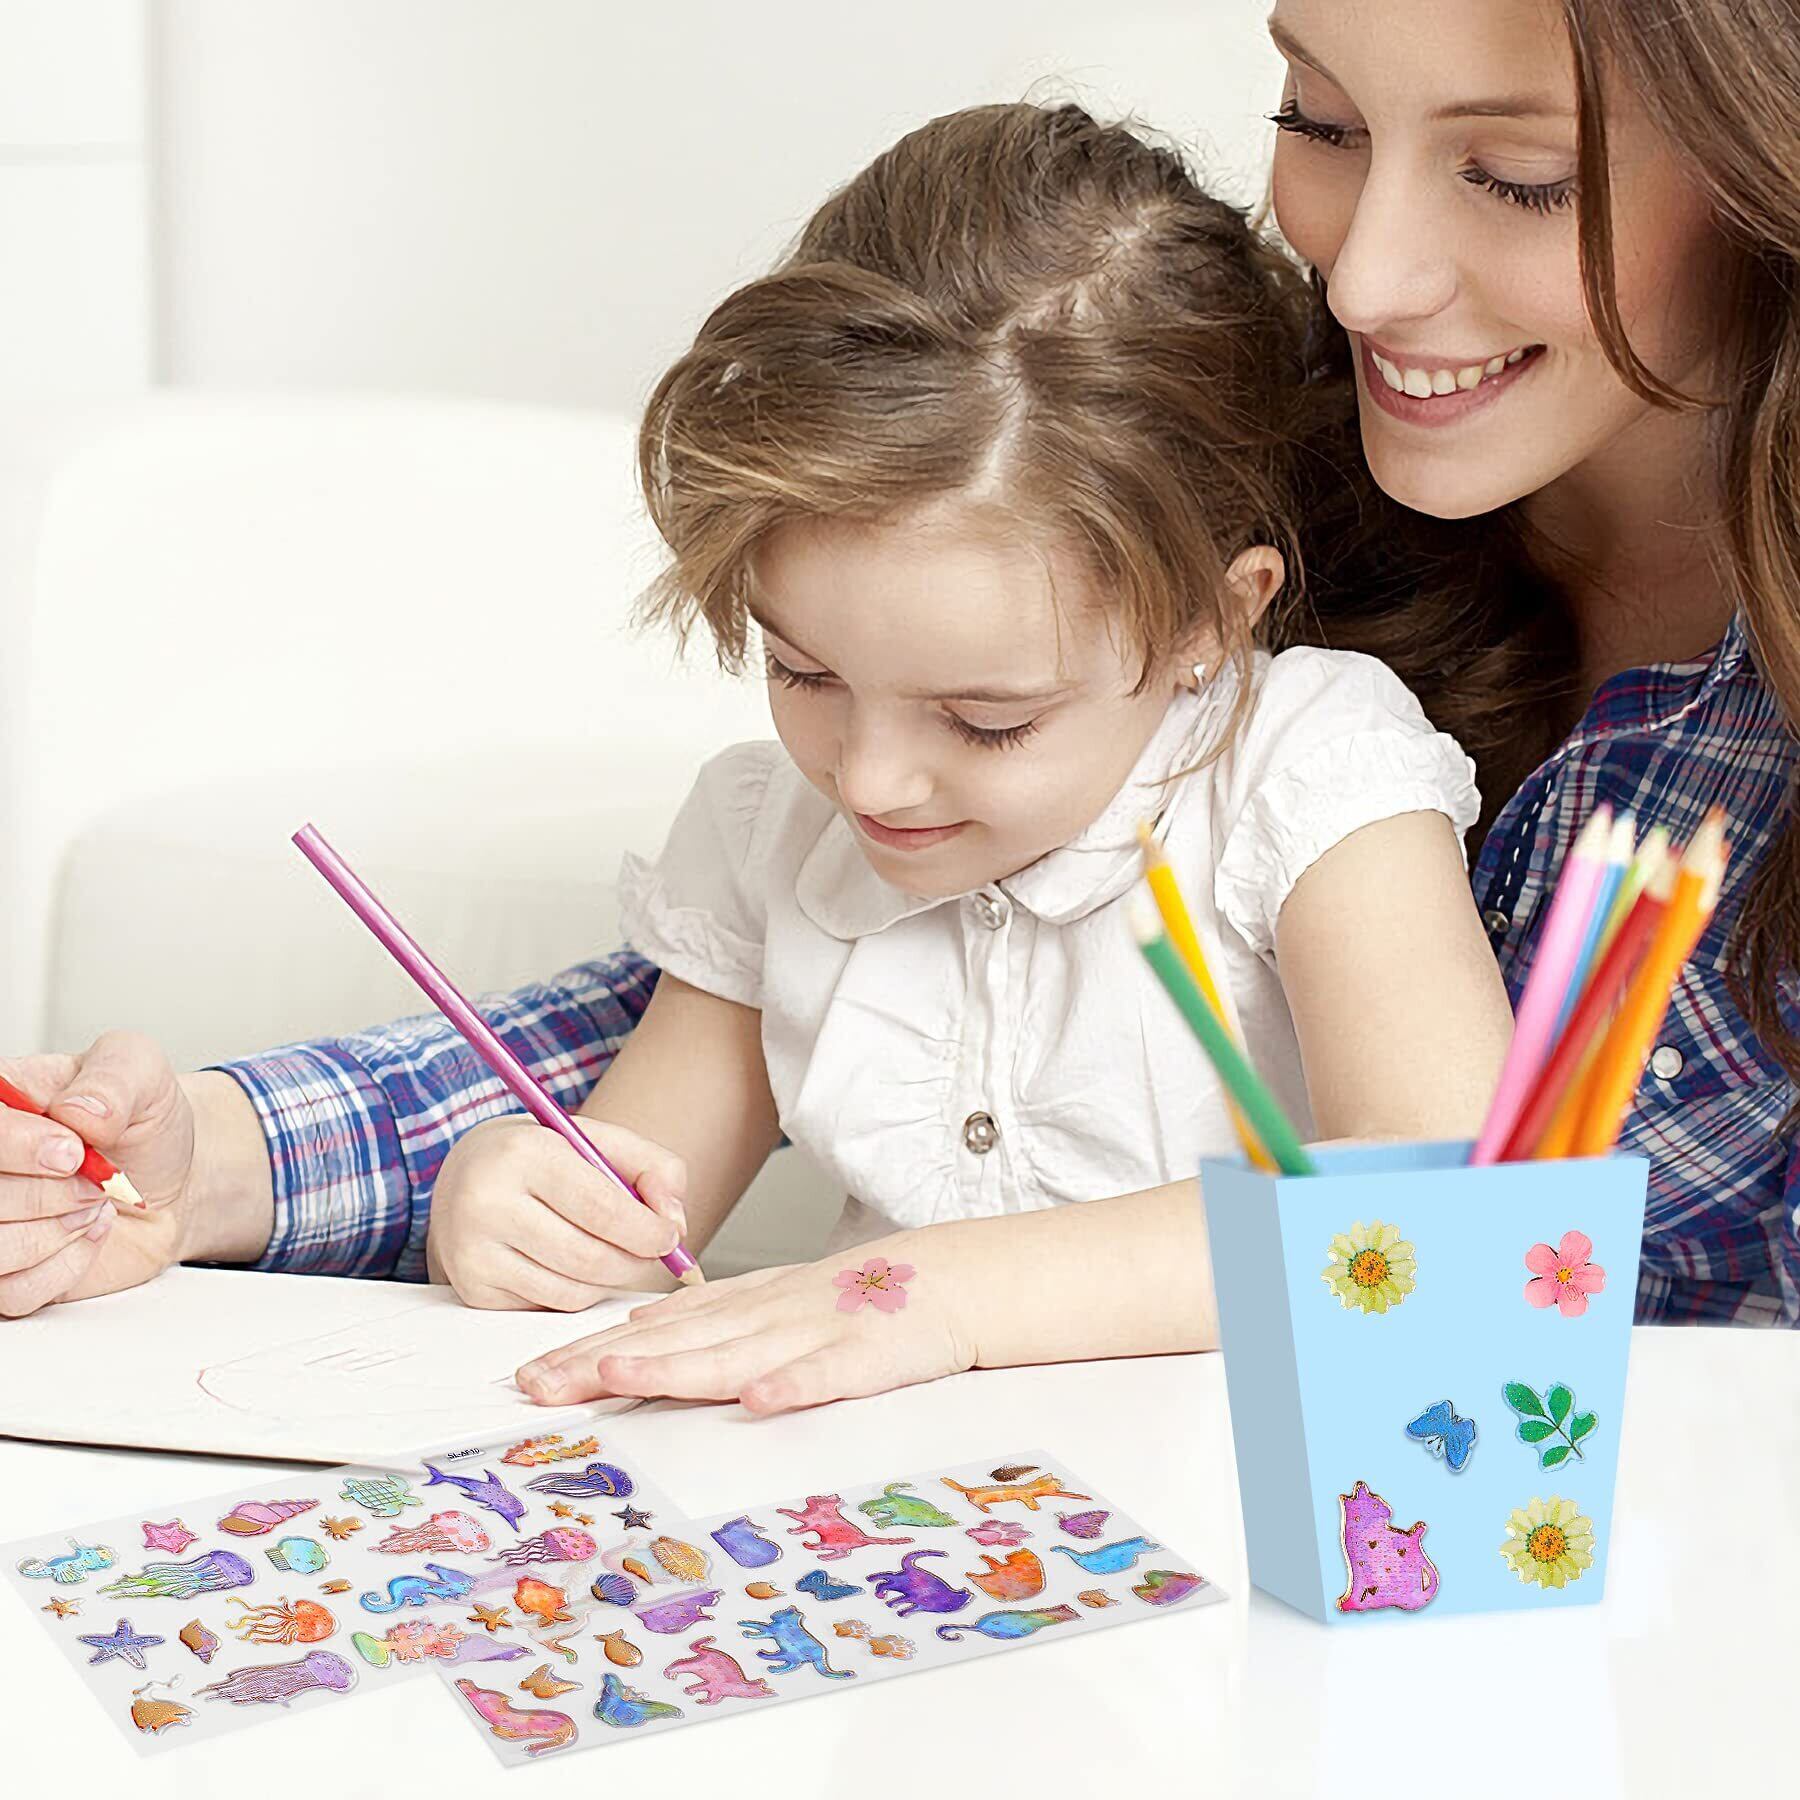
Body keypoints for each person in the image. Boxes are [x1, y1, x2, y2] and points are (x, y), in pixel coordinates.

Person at [5, 0, 1795, 1350]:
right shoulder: (1213, 462)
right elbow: (821, 975)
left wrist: (941, 1294)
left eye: (1518, 174)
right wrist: (229, 1160)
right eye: (1317, 119)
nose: (1364, 280)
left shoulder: (1314, 737)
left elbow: (1449, 1231)